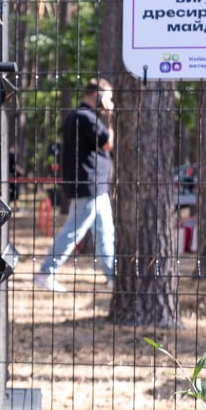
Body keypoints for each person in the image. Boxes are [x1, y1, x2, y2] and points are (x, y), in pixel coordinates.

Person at [34, 77, 116, 293]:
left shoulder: (76, 117)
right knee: (73, 231)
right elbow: (107, 143)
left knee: (105, 232)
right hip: (88, 185)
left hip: (95, 186)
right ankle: (45, 272)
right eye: (108, 98)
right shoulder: (87, 118)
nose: (110, 102)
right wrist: (109, 117)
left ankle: (113, 276)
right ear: (97, 95)